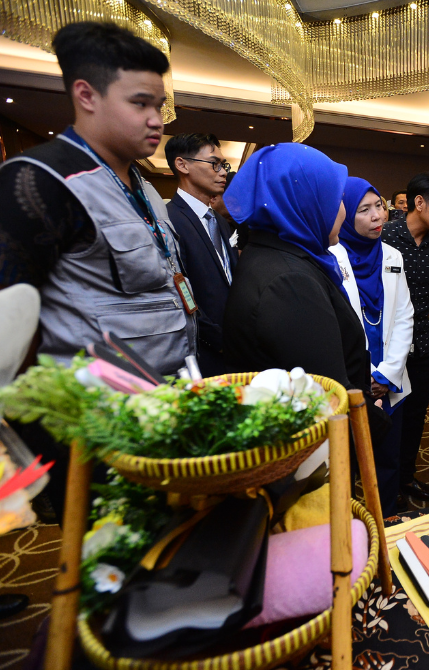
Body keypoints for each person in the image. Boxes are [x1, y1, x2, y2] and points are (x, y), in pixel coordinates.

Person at [0, 22, 195, 374]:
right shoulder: (41, 180)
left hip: (167, 398)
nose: (157, 121)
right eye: (140, 104)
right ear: (86, 96)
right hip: (93, 412)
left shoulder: (142, 183)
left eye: (159, 105)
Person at [222, 143, 388, 440]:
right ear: (306, 203)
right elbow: (325, 394)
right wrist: (370, 415)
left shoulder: (269, 254)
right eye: (335, 198)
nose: (343, 210)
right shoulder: (290, 282)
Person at [331, 177, 414, 515]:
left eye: (378, 205)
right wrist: (366, 378)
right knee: (346, 462)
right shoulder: (330, 257)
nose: (377, 215)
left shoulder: (392, 254)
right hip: (351, 379)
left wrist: (388, 373)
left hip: (391, 378)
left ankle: (388, 522)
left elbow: (405, 314)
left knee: (388, 458)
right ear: (346, 215)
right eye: (363, 210)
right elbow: (334, 328)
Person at [382, 173, 429, 505]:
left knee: (415, 417)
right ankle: (383, 482)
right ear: (419, 203)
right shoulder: (385, 238)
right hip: (384, 346)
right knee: (385, 419)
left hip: (422, 344)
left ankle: (405, 478)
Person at [165, 133, 236, 376]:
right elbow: (181, 292)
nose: (223, 172)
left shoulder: (220, 222)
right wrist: (219, 341)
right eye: (214, 164)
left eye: (223, 165)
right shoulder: (168, 220)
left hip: (235, 348)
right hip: (201, 351)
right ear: (182, 164)